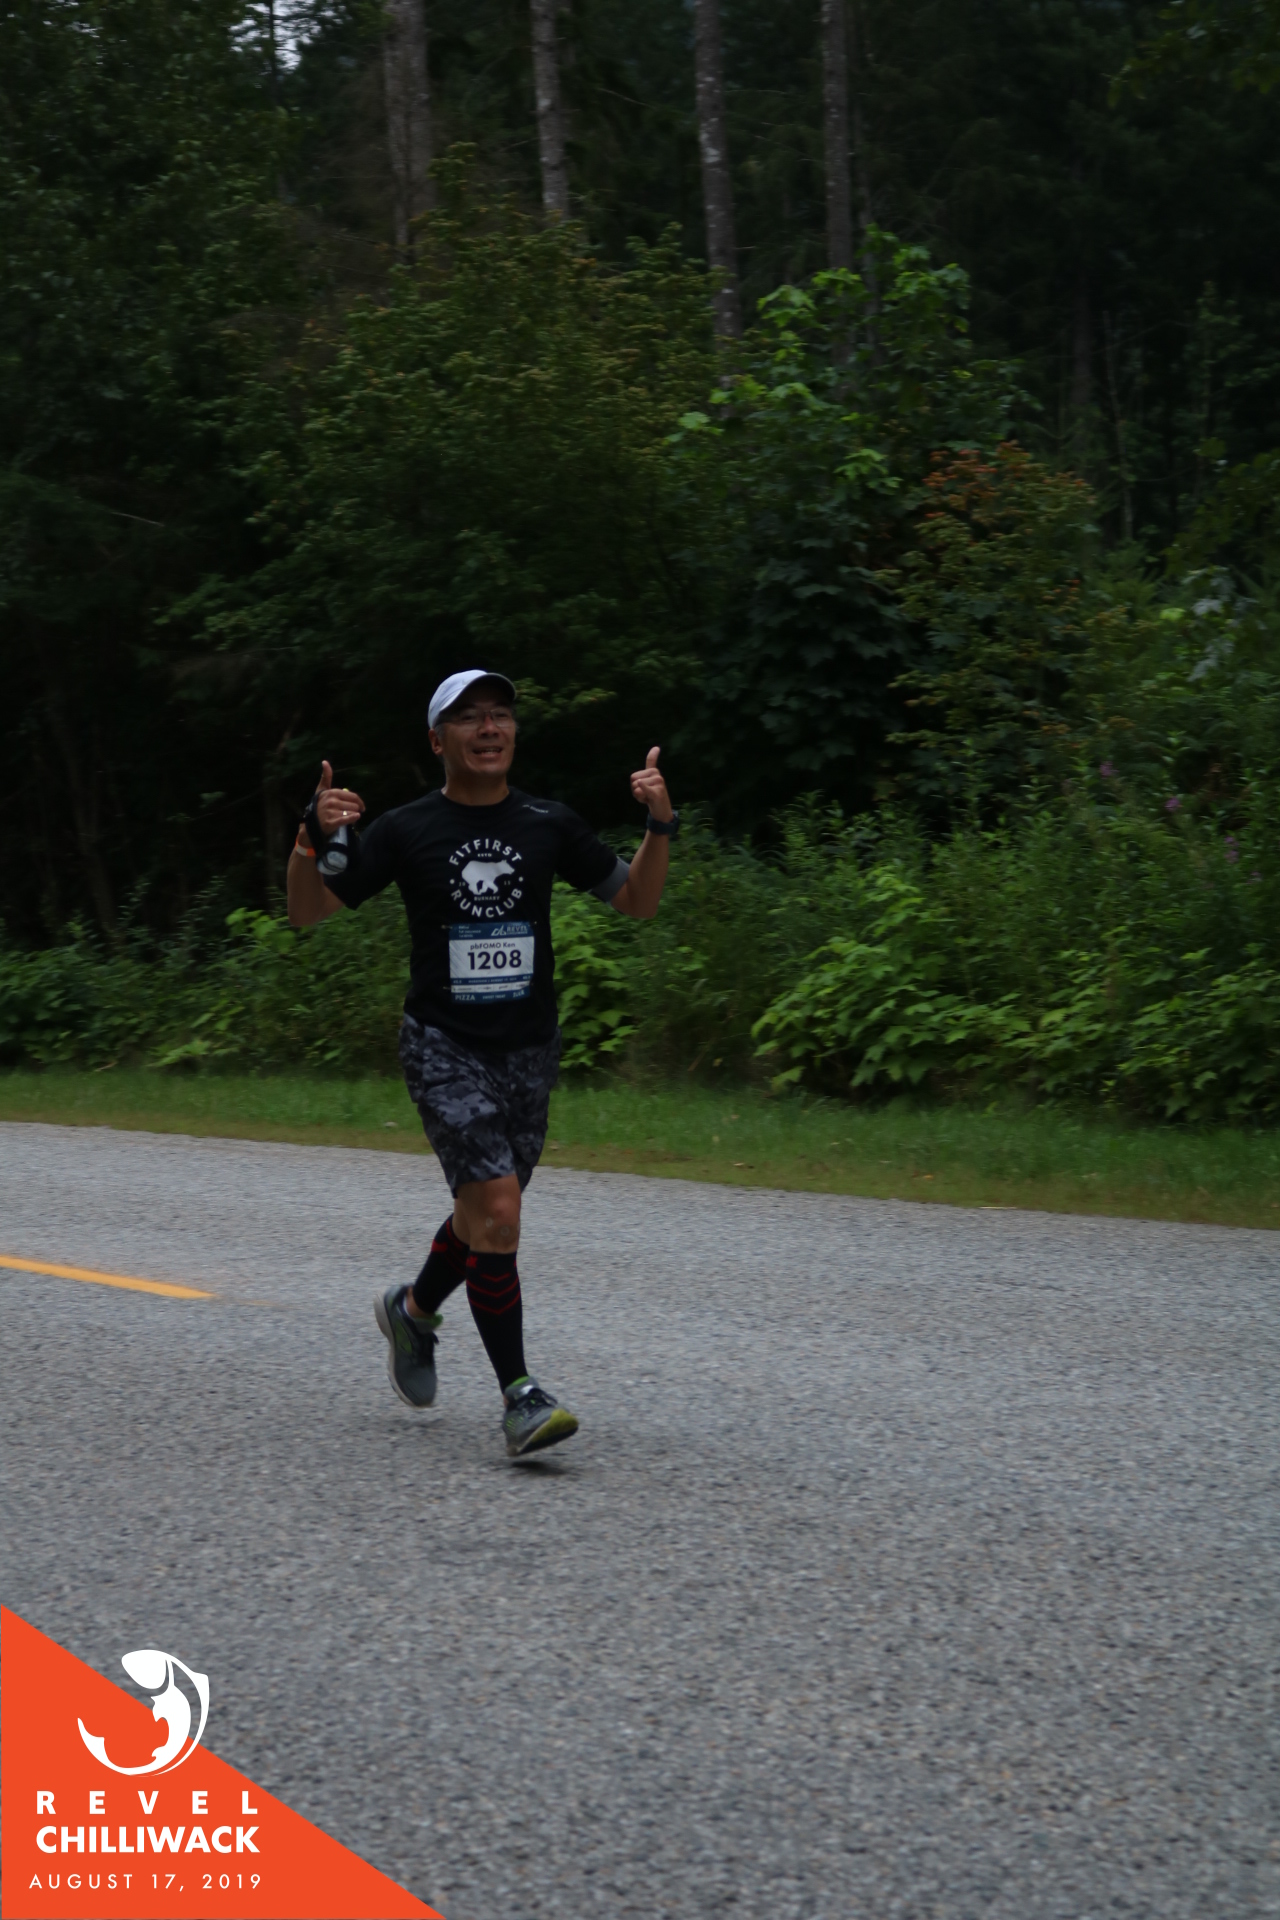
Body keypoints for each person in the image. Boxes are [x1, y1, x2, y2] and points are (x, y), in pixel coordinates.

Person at [286, 669, 678, 1456]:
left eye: (500, 715)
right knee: (498, 1208)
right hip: (442, 1043)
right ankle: (520, 1396)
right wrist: (307, 842)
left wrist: (660, 824)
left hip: (529, 1049)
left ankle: (412, 1312)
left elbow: (637, 901)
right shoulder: (405, 829)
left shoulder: (547, 822)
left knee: (482, 1217)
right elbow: (306, 912)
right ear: (439, 741)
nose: (489, 728)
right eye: (469, 718)